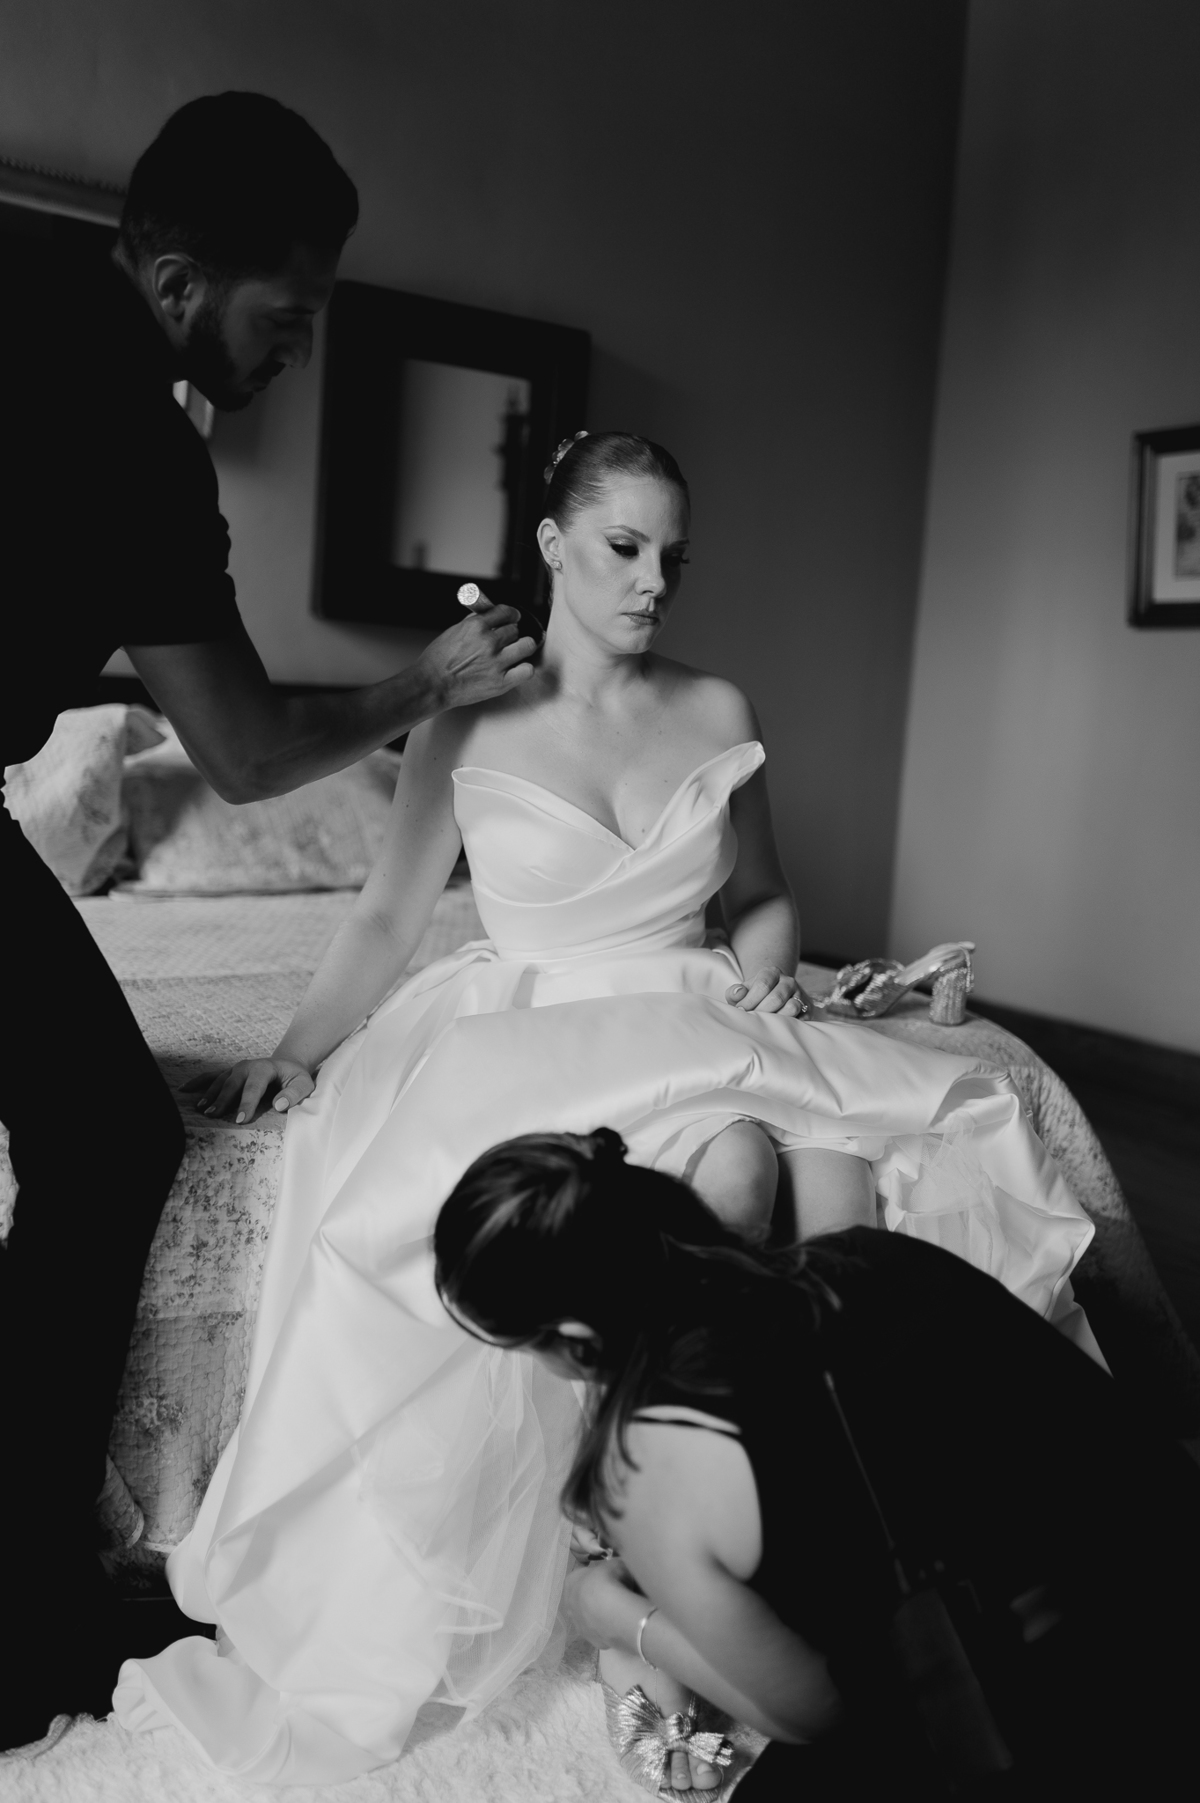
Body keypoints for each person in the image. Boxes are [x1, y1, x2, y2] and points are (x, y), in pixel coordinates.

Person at [113, 430, 1099, 1783]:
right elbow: (389, 916)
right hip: (540, 1021)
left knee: (789, 1181)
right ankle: (633, 1541)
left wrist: (768, 975)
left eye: (672, 558)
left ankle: (777, 1527)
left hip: (697, 1003)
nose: (652, 583)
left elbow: (763, 897)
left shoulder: (718, 703)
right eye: (625, 548)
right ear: (553, 544)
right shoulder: (464, 720)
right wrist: (296, 1050)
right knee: (681, 1189)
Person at [0, 92, 537, 1753]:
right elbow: (237, 751)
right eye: (286, 315)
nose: (298, 352)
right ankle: (14, 1603)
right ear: (177, 283)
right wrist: (422, 682)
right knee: (111, 1137)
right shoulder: (133, 440)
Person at [435, 1128, 1200, 1800]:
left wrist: (621, 1618)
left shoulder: (645, 1476)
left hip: (1033, 1724)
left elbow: (811, 1712)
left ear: (575, 1336)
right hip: (1164, 1589)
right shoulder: (875, 1254)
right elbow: (1103, 1425)